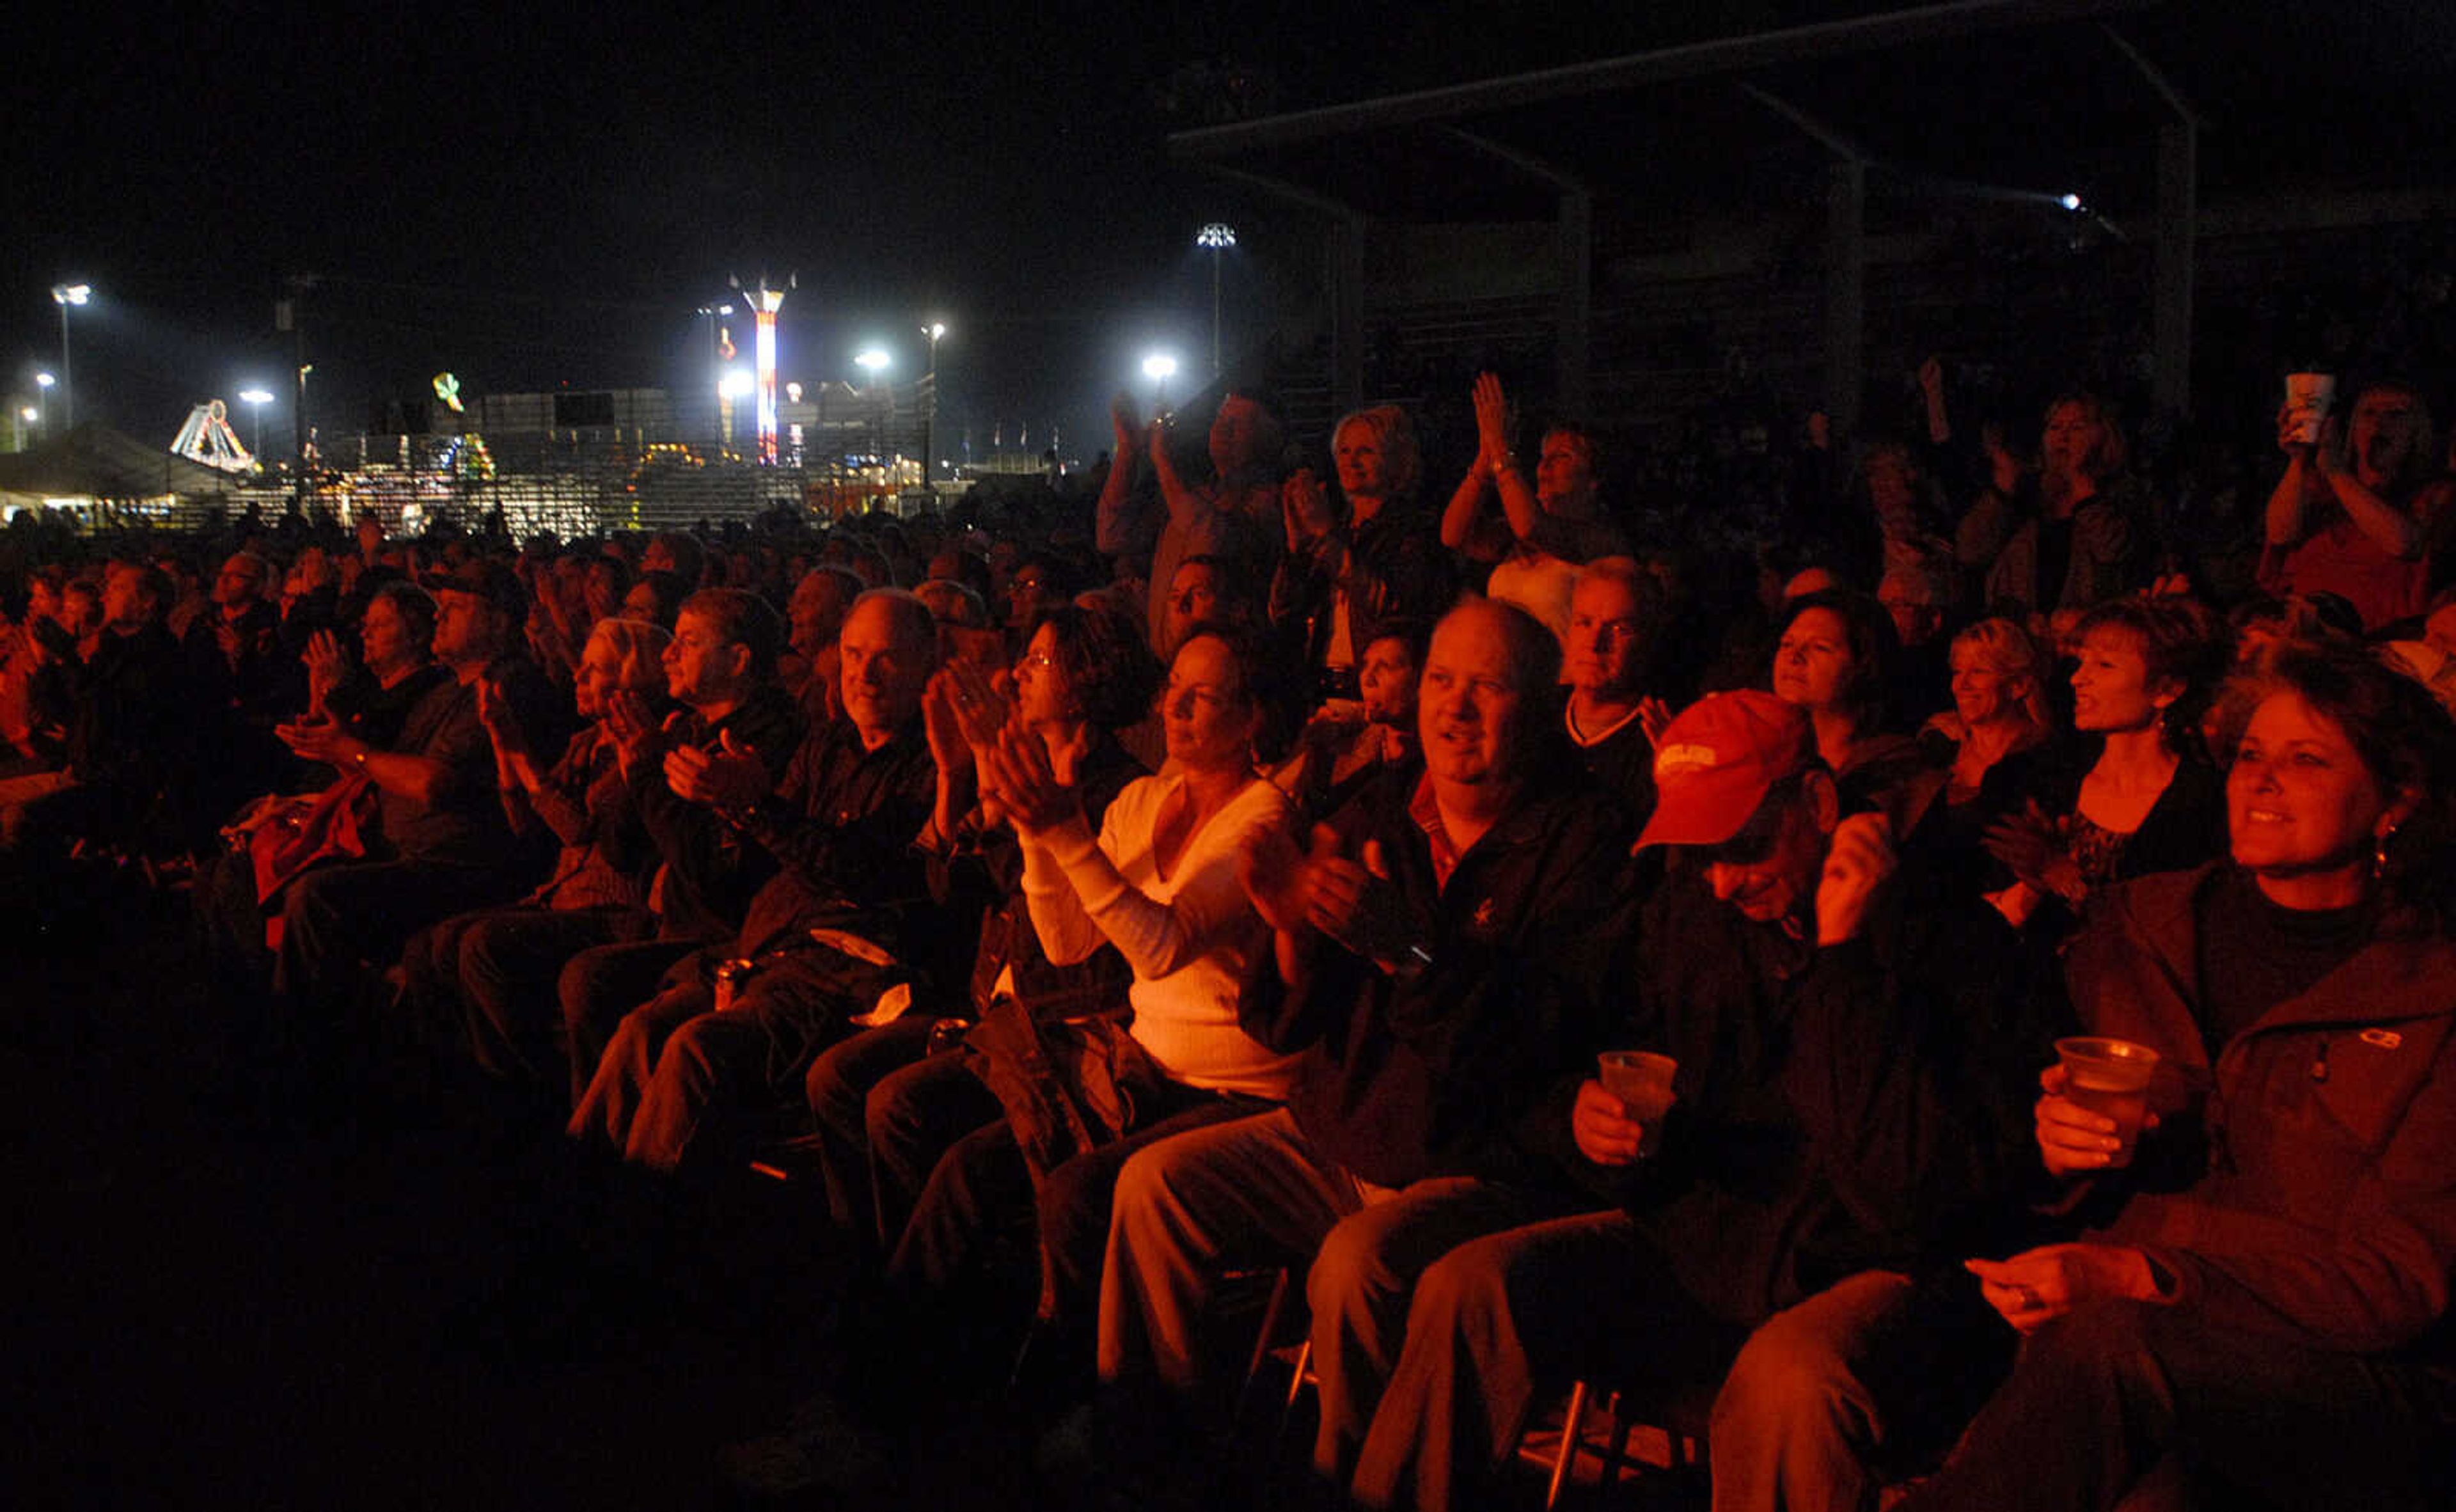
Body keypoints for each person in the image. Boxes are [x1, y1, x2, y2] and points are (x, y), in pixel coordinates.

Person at [1346, 691, 2052, 1512]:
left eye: (1743, 846)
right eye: (1698, 852)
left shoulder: (1951, 945)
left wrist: (1842, 962)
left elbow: (1903, 1195)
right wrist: (1578, 1116)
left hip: (1871, 1267)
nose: (1720, 882)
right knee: (1475, 1286)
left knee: (1790, 1379)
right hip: (1708, 1243)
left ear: (1820, 804)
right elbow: (1549, 1034)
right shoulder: (1688, 918)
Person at [1897, 645, 2456, 1512]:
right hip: (2102, 1353)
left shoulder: (2433, 995)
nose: (2261, 782)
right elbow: (2013, 1152)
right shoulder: (2140, 929)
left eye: (2307, 760)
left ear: (2397, 801)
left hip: (2346, 1379)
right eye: (2249, 756)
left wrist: (2146, 1278)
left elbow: (2398, 1285)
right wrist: (2059, 1154)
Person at [1096, 599, 1630, 1488]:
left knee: (1358, 1266)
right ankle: (1155, 1462)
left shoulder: (1581, 843)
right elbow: (1283, 1025)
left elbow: (1533, 1043)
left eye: (1488, 688)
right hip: (1339, 1133)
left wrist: (1406, 948)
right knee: (1154, 1187)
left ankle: (1335, 1483)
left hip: (1475, 1161)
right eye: (1443, 682)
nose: (1456, 708)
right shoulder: (1376, 810)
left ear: (1537, 707)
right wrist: (1294, 941)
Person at [801, 604, 1153, 1264]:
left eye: (1041, 660)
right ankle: (872, 1262)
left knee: (898, 1107)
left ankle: (922, 1294)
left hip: (1052, 1027)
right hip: (989, 1011)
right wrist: (958, 777)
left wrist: (997, 784)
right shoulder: (1027, 766)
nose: (1020, 671)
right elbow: (947, 892)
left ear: (1087, 678)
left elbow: (1059, 935)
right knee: (838, 1078)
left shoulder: (1117, 790)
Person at [568, 588, 938, 1174]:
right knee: (641, 1029)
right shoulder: (828, 745)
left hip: (846, 972)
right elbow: (769, 858)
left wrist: (750, 806)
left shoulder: (934, 765)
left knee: (696, 1047)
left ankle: (633, 1222)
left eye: (885, 658)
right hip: (769, 949)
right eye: (852, 655)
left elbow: (867, 873)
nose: (863, 675)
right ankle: (579, 1189)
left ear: (925, 667)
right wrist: (731, 803)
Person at [398, 616, 672, 1096]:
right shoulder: (587, 743)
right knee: (432, 944)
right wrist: (505, 748)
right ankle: (455, 1080)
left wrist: (525, 760)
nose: (577, 678)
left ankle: (525, 1085)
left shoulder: (648, 747)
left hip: (613, 909)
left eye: (594, 670)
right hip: (563, 895)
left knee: (484, 946)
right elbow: (526, 824)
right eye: (581, 667)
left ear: (630, 680)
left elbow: (580, 834)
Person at [1984, 595, 2229, 929]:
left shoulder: (2199, 805)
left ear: (2166, 690)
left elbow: (2170, 928)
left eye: (2104, 665)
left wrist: (2060, 874)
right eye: (2082, 662)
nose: (2078, 679)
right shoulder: (2050, 776)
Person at [1271, 404, 1455, 704]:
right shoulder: (1338, 530)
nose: (1351, 462)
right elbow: (1283, 613)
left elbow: (1391, 606)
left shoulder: (1414, 532)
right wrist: (1297, 550)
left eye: (1366, 451)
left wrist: (1326, 539)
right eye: (1344, 451)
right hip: (1320, 698)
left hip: (1379, 700)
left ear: (1397, 460)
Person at [1440, 374, 1628, 645]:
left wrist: (1502, 453)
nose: (1545, 465)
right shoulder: (1511, 533)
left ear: (1594, 480)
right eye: (1543, 456)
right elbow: (1453, 535)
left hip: (1560, 682)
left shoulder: (1602, 539)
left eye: (1562, 456)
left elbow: (1530, 527)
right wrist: (1486, 453)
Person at [1098, 390, 1284, 654]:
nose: (1222, 428)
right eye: (1220, 419)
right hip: (1169, 664)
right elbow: (1112, 536)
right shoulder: (1195, 493)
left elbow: (1212, 541)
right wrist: (1128, 452)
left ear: (1270, 439)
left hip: (1219, 667)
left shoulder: (1272, 501)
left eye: (1238, 423)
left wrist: (1163, 463)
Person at [2260, 378, 2451, 630]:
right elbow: (2280, 534)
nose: (2379, 423)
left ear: (2417, 431)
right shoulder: (2321, 487)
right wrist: (2299, 461)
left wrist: (2337, 473)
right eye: (2368, 413)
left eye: (2396, 415)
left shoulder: (2435, 494)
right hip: (2300, 630)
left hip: (2377, 640)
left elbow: (2404, 544)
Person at [1958, 393, 2153, 618]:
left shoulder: (2123, 496)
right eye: (2055, 427)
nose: (2063, 436)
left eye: (2077, 428)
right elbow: (1970, 552)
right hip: (2021, 633)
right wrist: (2003, 489)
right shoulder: (2024, 494)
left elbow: (2114, 551)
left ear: (2103, 436)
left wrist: (2081, 482)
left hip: (2087, 634)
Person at [1770, 590, 1926, 831]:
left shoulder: (1893, 768)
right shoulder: (1765, 755)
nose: (1794, 657)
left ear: (1863, 666)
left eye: (1820, 647)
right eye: (1787, 644)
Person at [1561, 558, 1668, 824]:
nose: (1595, 643)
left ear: (1648, 640)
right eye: (1584, 623)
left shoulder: (1658, 742)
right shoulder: (1534, 712)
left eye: (1620, 629)